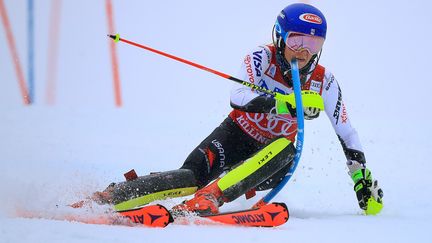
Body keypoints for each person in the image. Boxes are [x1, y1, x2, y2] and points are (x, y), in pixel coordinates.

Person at [91, 3, 383, 215]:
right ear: (280, 37)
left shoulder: (325, 82)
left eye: (313, 42)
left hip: (271, 160)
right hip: (235, 135)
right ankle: (110, 197)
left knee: (287, 148)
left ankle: (211, 199)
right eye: (296, 40)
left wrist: (360, 177)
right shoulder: (261, 57)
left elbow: (346, 131)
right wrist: (286, 104)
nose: (304, 52)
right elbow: (238, 96)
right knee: (190, 177)